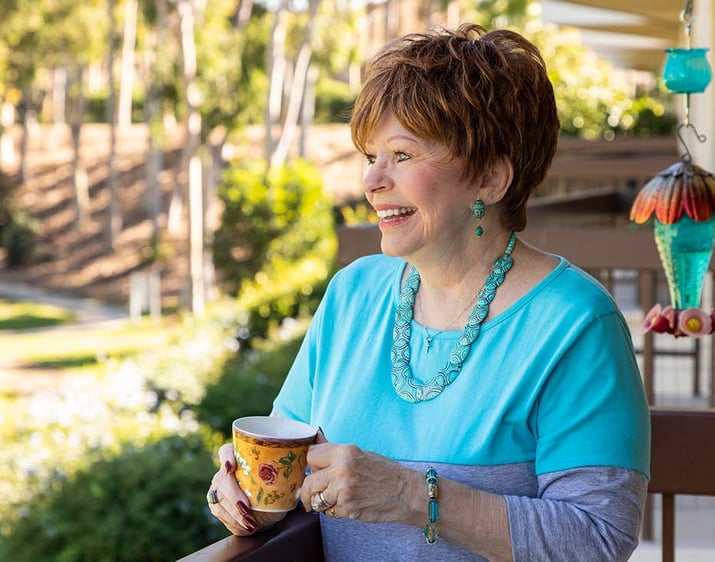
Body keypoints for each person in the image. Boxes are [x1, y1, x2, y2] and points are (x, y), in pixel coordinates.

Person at [207, 22, 650, 561]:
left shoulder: (575, 325)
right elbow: (286, 466)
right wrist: (245, 490)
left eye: (403, 155)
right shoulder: (352, 296)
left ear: (490, 178)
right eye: (371, 157)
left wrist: (412, 495)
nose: (372, 182)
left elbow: (598, 540)